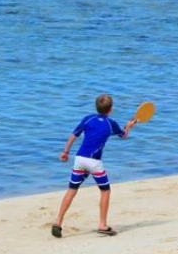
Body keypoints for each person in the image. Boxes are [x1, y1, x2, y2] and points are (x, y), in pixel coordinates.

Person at [52, 94, 136, 238]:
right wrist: (129, 126)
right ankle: (102, 224)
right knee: (105, 191)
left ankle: (58, 222)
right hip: (94, 162)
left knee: (72, 190)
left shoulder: (88, 119)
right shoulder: (111, 123)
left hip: (79, 159)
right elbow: (123, 136)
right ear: (111, 109)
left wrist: (66, 152)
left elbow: (74, 135)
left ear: (96, 107)